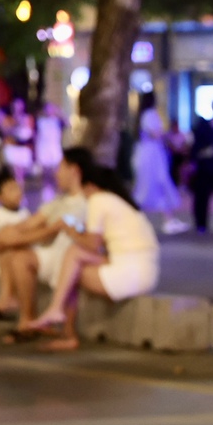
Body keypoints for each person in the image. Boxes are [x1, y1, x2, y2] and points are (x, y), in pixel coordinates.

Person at [19, 147, 160, 351]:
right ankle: (58, 314)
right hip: (141, 270)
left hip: (129, 273)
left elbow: (92, 245)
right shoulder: (118, 203)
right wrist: (75, 230)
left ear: (91, 186)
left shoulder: (98, 200)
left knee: (73, 261)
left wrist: (70, 230)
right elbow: (97, 241)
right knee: (74, 257)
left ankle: (61, 318)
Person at [0, 166, 32, 323]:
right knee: (9, 248)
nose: (17, 192)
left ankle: (6, 302)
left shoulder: (25, 214)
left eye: (17, 187)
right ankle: (7, 300)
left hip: (17, 257)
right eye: (11, 189)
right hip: (1, 259)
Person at [131, 106, 187, 232]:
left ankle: (168, 219)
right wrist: (164, 135)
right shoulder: (149, 115)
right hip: (151, 157)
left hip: (150, 155)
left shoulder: (144, 117)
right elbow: (154, 133)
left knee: (153, 188)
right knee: (153, 186)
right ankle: (167, 220)